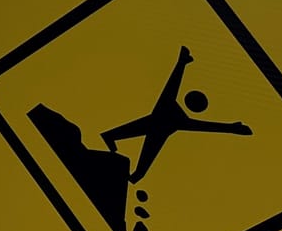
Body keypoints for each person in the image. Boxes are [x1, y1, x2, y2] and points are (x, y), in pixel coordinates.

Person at [100, 47, 252, 183]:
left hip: (161, 126)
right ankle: (115, 143)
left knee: (142, 160)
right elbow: (202, 124)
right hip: (161, 123)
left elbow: (203, 125)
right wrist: (231, 128)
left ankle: (117, 146)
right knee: (141, 150)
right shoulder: (173, 112)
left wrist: (231, 128)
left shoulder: (175, 114)